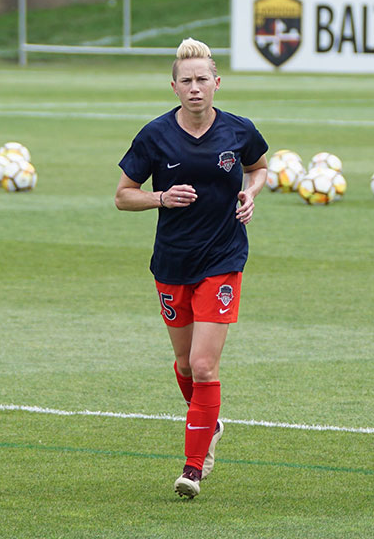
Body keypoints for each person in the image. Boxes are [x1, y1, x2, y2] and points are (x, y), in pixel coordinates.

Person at [115, 38, 268, 500]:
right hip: (172, 263)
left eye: (204, 79)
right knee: (183, 363)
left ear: (217, 83)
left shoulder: (239, 130)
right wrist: (160, 197)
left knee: (204, 364)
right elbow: (123, 194)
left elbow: (259, 166)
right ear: (174, 87)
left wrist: (251, 191)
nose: (196, 88)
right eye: (187, 81)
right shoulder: (155, 135)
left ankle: (193, 466)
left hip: (222, 261)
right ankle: (211, 421)